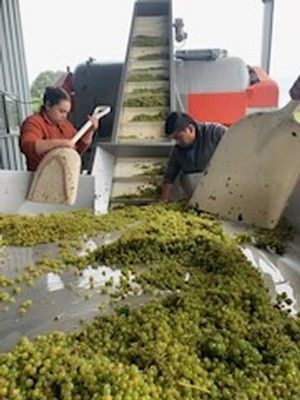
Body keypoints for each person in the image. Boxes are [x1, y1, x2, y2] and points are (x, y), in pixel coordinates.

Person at [19, 86, 99, 171]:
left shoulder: (66, 125)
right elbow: (27, 145)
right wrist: (61, 143)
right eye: (61, 111)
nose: (64, 116)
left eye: (67, 112)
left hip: (65, 176)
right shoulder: (33, 122)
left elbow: (78, 148)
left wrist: (90, 131)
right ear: (48, 105)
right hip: (41, 177)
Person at [160, 112, 227, 202]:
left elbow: (239, 149)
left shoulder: (215, 133)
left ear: (190, 129)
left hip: (224, 189)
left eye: (179, 137)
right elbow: (169, 176)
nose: (177, 142)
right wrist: (164, 199)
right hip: (195, 195)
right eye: (175, 139)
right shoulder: (178, 150)